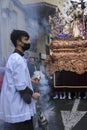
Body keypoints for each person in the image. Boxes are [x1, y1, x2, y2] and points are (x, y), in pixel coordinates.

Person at [0, 29, 40, 130]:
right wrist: (33, 94)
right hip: (18, 107)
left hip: (15, 106)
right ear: (18, 42)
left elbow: (15, 79)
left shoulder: (16, 57)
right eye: (26, 40)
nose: (29, 42)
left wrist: (30, 80)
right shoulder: (17, 59)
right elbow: (20, 86)